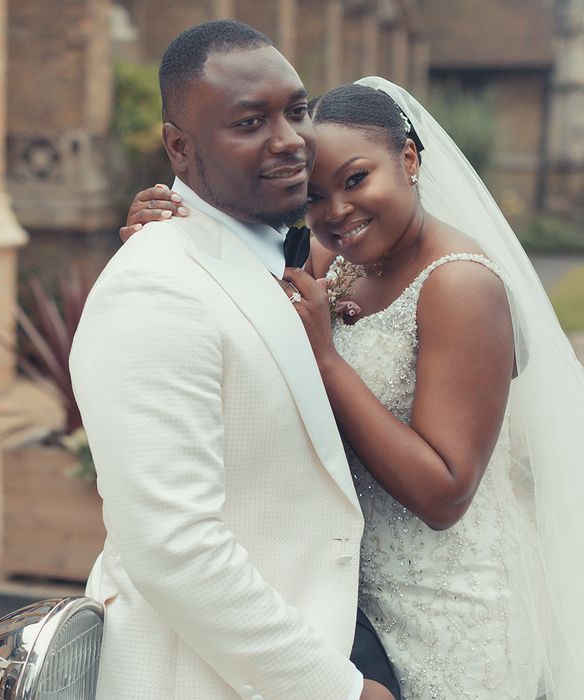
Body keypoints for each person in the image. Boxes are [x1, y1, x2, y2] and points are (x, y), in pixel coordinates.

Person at [122, 77, 584, 699]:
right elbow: (239, 301)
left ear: (410, 160)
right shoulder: (337, 259)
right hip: (348, 607)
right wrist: (171, 232)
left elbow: (446, 493)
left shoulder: (460, 286)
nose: (337, 211)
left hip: (449, 613)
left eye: (357, 179)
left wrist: (327, 359)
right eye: (313, 197)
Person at [70, 20, 380, 700]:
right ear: (180, 148)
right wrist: (339, 690)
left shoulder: (284, 250)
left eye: (297, 111)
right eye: (249, 122)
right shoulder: (154, 288)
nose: (290, 139)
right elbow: (174, 549)